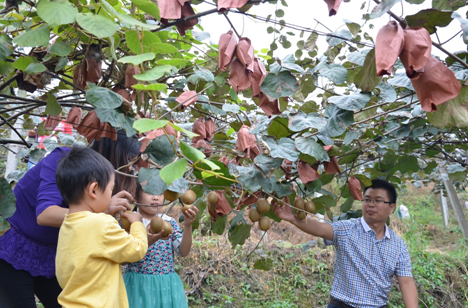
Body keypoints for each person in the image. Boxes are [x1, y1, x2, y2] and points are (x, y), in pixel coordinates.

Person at [0, 132, 139, 308]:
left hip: (53, 256)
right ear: (114, 152)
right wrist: (104, 210)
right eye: (130, 158)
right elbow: (46, 214)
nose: (132, 167)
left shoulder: (102, 183)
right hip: (14, 250)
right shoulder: (63, 159)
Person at [273, 179, 419, 308]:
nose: (371, 204)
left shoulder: (398, 245)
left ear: (391, 207)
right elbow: (321, 228)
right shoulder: (347, 229)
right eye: (367, 199)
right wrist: (293, 218)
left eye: (377, 200)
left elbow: (406, 282)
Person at [55, 146, 148, 307]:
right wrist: (138, 224)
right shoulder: (102, 223)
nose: (111, 195)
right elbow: (137, 249)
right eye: (111, 189)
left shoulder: (67, 225)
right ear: (94, 190)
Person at [123, 183, 198, 308]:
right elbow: (123, 260)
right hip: (138, 287)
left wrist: (188, 225)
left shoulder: (170, 222)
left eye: (159, 192)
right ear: (135, 196)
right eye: (149, 192)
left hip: (166, 288)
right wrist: (146, 241)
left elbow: (183, 251)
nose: (155, 197)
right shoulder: (130, 222)